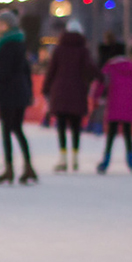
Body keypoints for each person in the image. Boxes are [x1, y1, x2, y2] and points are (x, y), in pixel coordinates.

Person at [42, 19, 99, 173]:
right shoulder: (83, 50)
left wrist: (46, 88)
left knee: (61, 126)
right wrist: (101, 77)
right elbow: (90, 69)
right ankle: (75, 157)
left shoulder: (58, 49)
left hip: (59, 92)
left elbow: (51, 70)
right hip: (78, 92)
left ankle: (62, 157)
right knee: (76, 126)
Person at [0, 11, 37, 185]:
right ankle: (28, 166)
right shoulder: (19, 42)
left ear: (7, 25)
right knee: (17, 129)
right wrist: (29, 91)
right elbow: (25, 70)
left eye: (0, 23)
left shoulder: (5, 44)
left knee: (7, 130)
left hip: (9, 92)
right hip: (20, 91)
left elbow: (5, 70)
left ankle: (10, 168)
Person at [92, 49, 132, 174]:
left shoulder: (109, 68)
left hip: (113, 106)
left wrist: (95, 98)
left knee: (111, 135)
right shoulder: (131, 68)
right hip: (129, 106)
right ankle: (130, 160)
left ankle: (106, 161)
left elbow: (101, 83)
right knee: (128, 134)